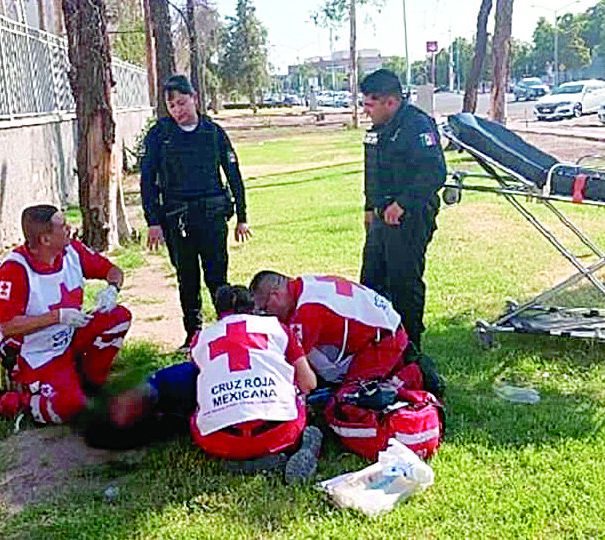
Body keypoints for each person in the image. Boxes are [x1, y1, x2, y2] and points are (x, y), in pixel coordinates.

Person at [107, 286, 323, 483]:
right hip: (277, 433)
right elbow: (309, 384)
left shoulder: (201, 339)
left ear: (217, 311)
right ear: (253, 307)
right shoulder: (278, 328)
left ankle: (237, 460)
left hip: (220, 441)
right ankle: (301, 446)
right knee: (297, 397)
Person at [0, 204, 131, 425]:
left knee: (119, 317)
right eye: (63, 226)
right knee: (72, 407)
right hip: (34, 353)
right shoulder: (14, 270)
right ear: (45, 239)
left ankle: (90, 384)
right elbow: (8, 325)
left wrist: (112, 289)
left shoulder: (72, 251)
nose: (70, 228)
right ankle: (4, 401)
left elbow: (113, 271)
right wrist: (57, 316)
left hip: (67, 338)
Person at [141, 74, 251, 351]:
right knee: (187, 278)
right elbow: (147, 180)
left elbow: (233, 173)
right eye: (172, 105)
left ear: (194, 99)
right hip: (177, 218)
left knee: (217, 276)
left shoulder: (213, 133)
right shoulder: (160, 135)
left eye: (182, 102)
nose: (178, 110)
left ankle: (226, 330)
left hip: (212, 216)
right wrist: (153, 221)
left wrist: (242, 216)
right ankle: (193, 335)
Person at [359, 69, 447, 352]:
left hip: (410, 216)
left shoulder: (416, 125)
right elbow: (372, 170)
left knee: (403, 283)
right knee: (371, 281)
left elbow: (434, 172)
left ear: (390, 102)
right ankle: (380, 343)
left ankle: (410, 347)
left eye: (370, 105)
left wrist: (403, 204)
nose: (366, 111)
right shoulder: (380, 129)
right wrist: (369, 207)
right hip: (382, 215)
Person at [249, 271, 420, 388]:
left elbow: (293, 366)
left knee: (348, 402)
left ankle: (415, 374)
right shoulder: (305, 286)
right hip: (382, 329)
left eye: (265, 308)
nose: (268, 314)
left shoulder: (307, 311)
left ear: (275, 295)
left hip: (383, 341)